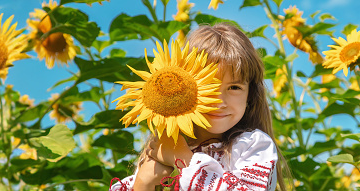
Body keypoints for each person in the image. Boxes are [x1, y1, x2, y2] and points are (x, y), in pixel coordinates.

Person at [110, 23, 291, 191]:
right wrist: (143, 182)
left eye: (234, 87)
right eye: (207, 87)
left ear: (250, 95)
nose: (220, 101)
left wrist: (183, 160)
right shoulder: (161, 149)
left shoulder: (253, 146)